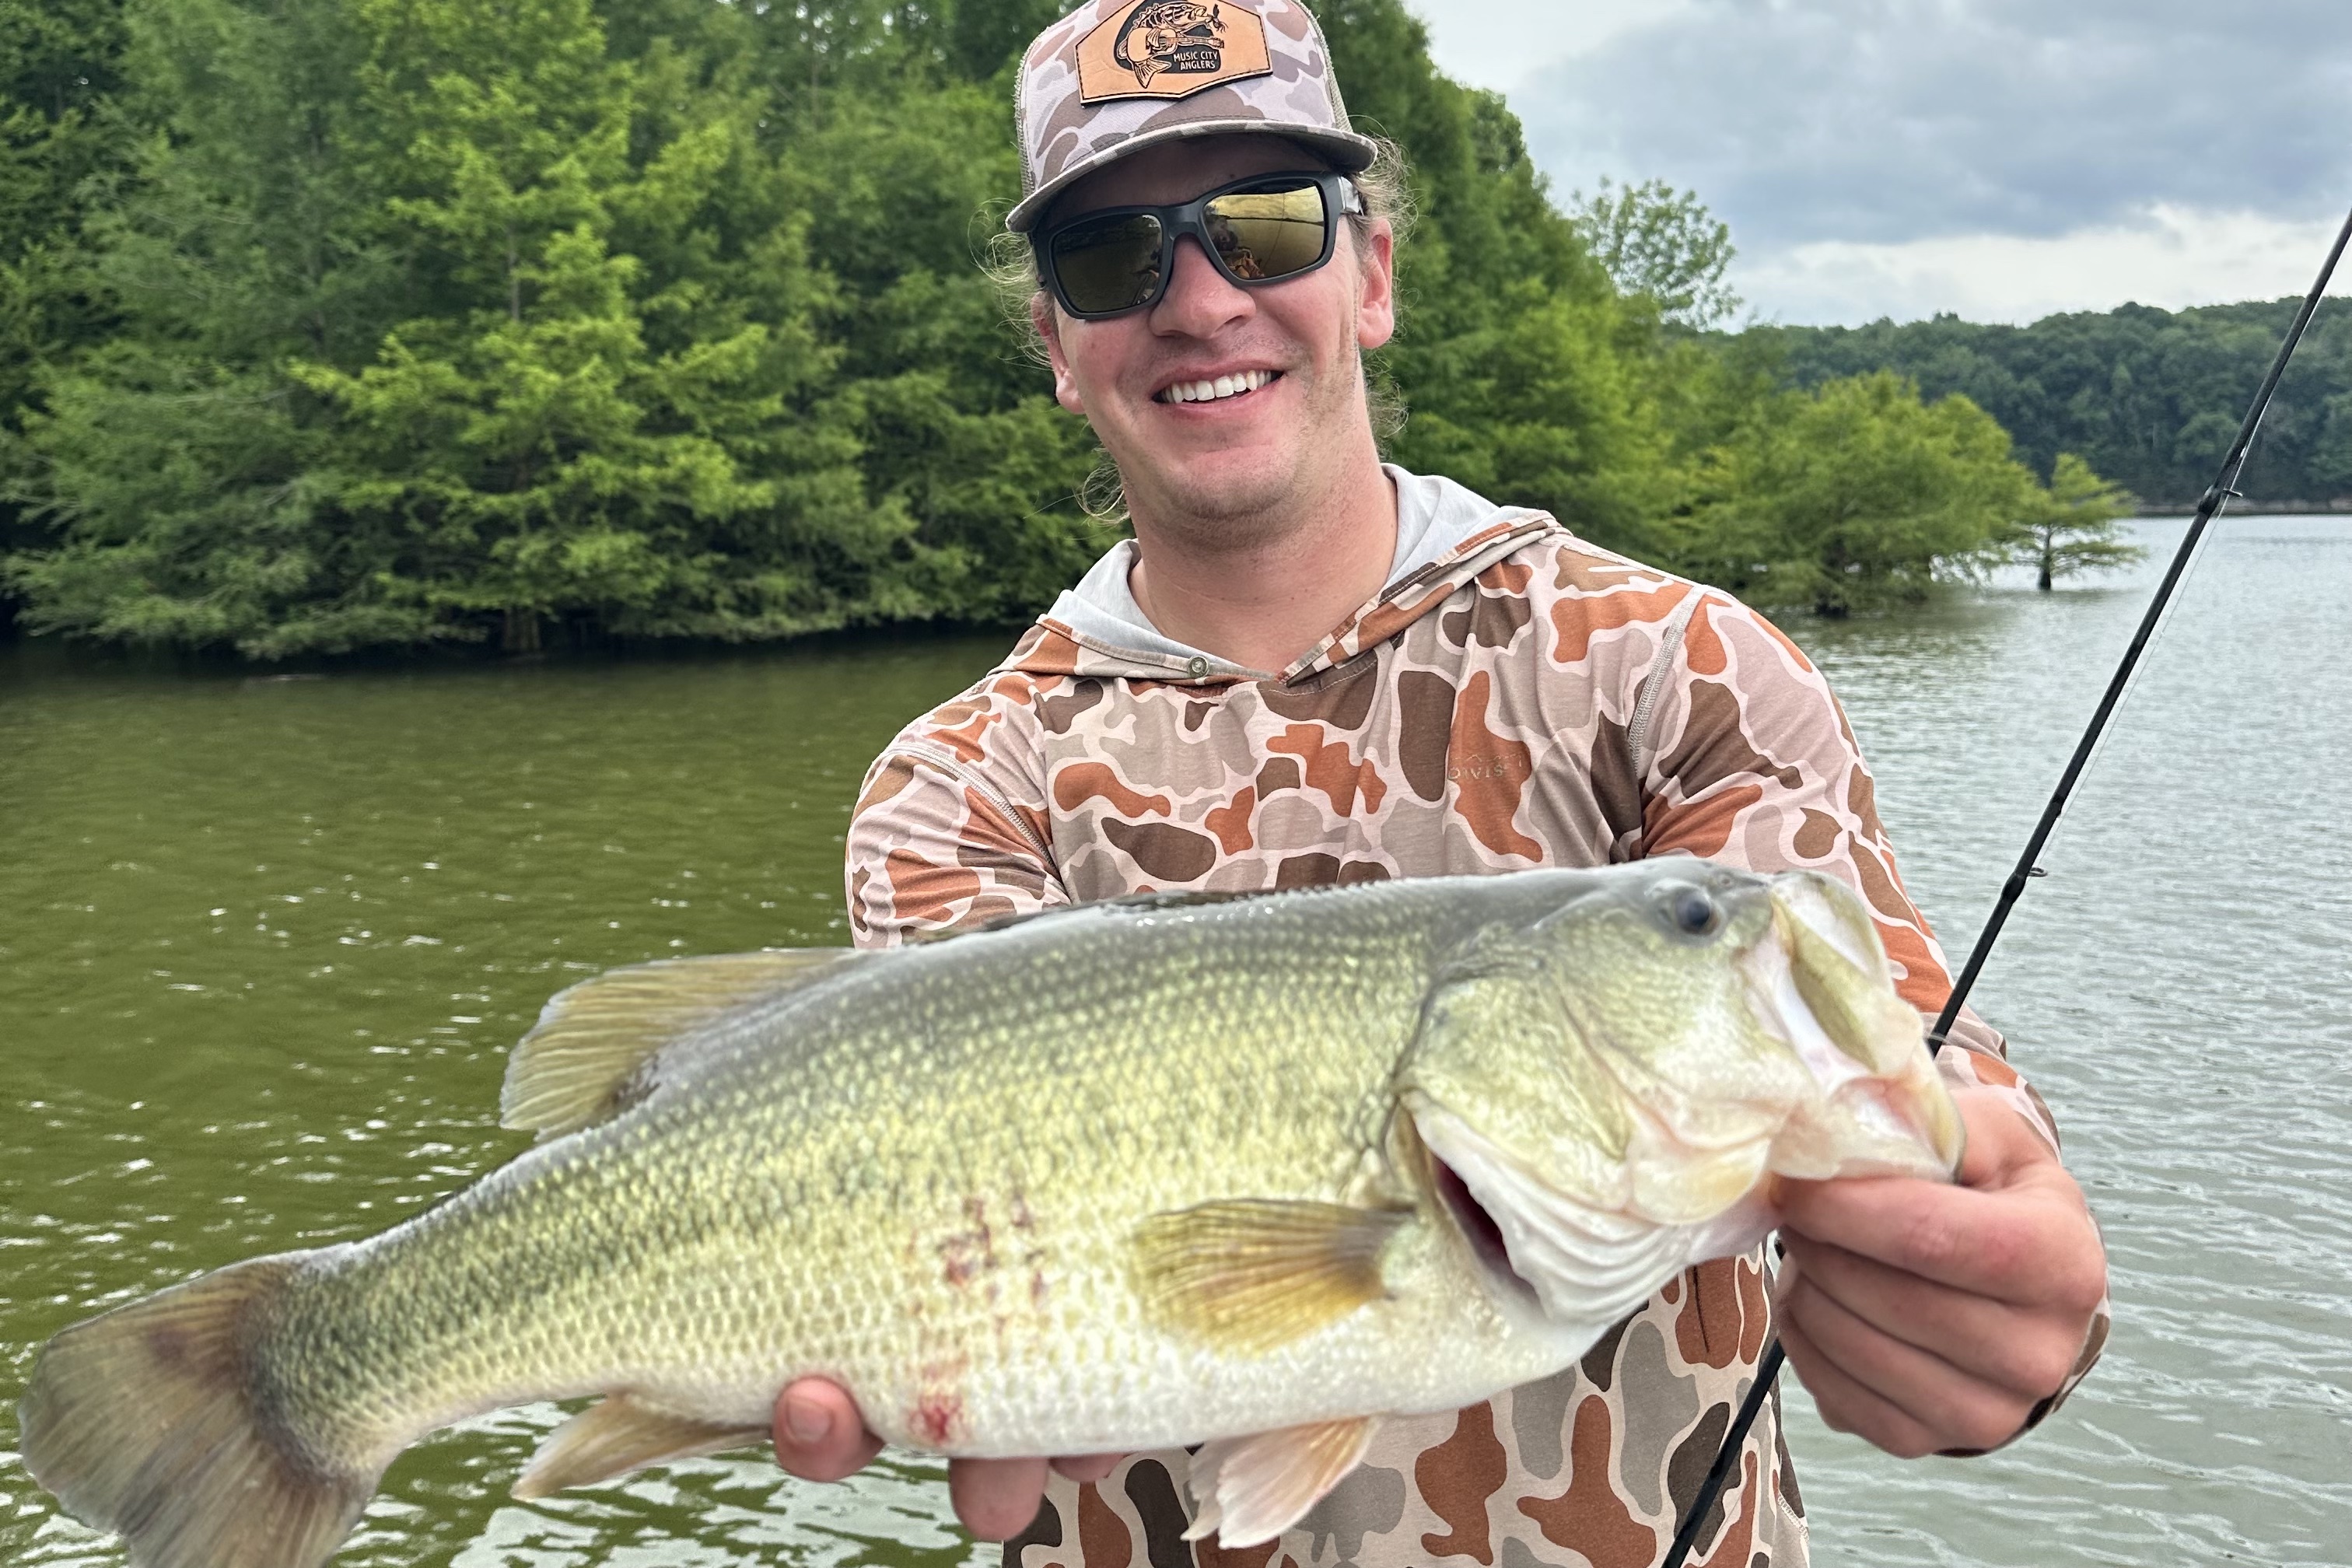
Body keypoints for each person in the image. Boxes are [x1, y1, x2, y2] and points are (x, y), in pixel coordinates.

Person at [769, 2, 2110, 1563]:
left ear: (1376, 275)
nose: (1201, 301)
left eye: (1265, 228)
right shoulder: (956, 790)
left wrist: (1995, 1304)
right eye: (1111, 258)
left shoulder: (1674, 667)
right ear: (1058, 347)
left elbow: (1911, 1080)